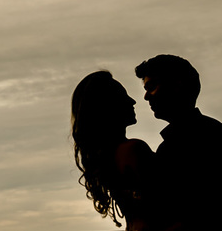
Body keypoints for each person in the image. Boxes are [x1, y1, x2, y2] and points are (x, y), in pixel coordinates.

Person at [135, 54, 222, 231]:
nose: (146, 96)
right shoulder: (214, 136)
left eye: (152, 86)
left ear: (177, 86)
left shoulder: (212, 139)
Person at [72, 71, 168, 230]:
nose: (133, 101)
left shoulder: (106, 157)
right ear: (108, 105)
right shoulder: (133, 150)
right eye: (123, 96)